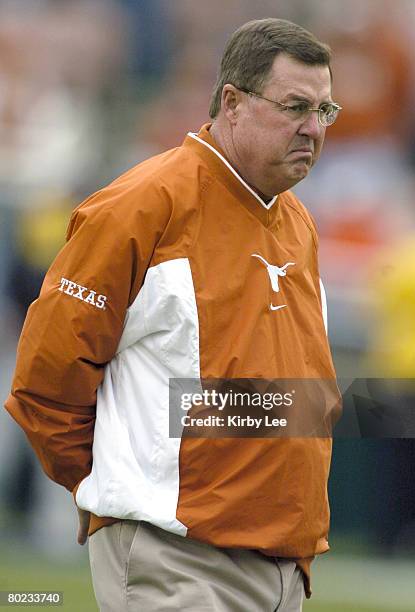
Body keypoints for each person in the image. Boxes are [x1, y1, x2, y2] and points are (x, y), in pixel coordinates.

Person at [5, 18, 341, 612]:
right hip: (178, 557)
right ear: (232, 104)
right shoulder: (143, 205)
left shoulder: (296, 221)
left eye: (324, 110)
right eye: (295, 106)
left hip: (281, 564)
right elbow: (45, 382)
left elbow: (278, 397)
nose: (313, 129)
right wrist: (118, 491)